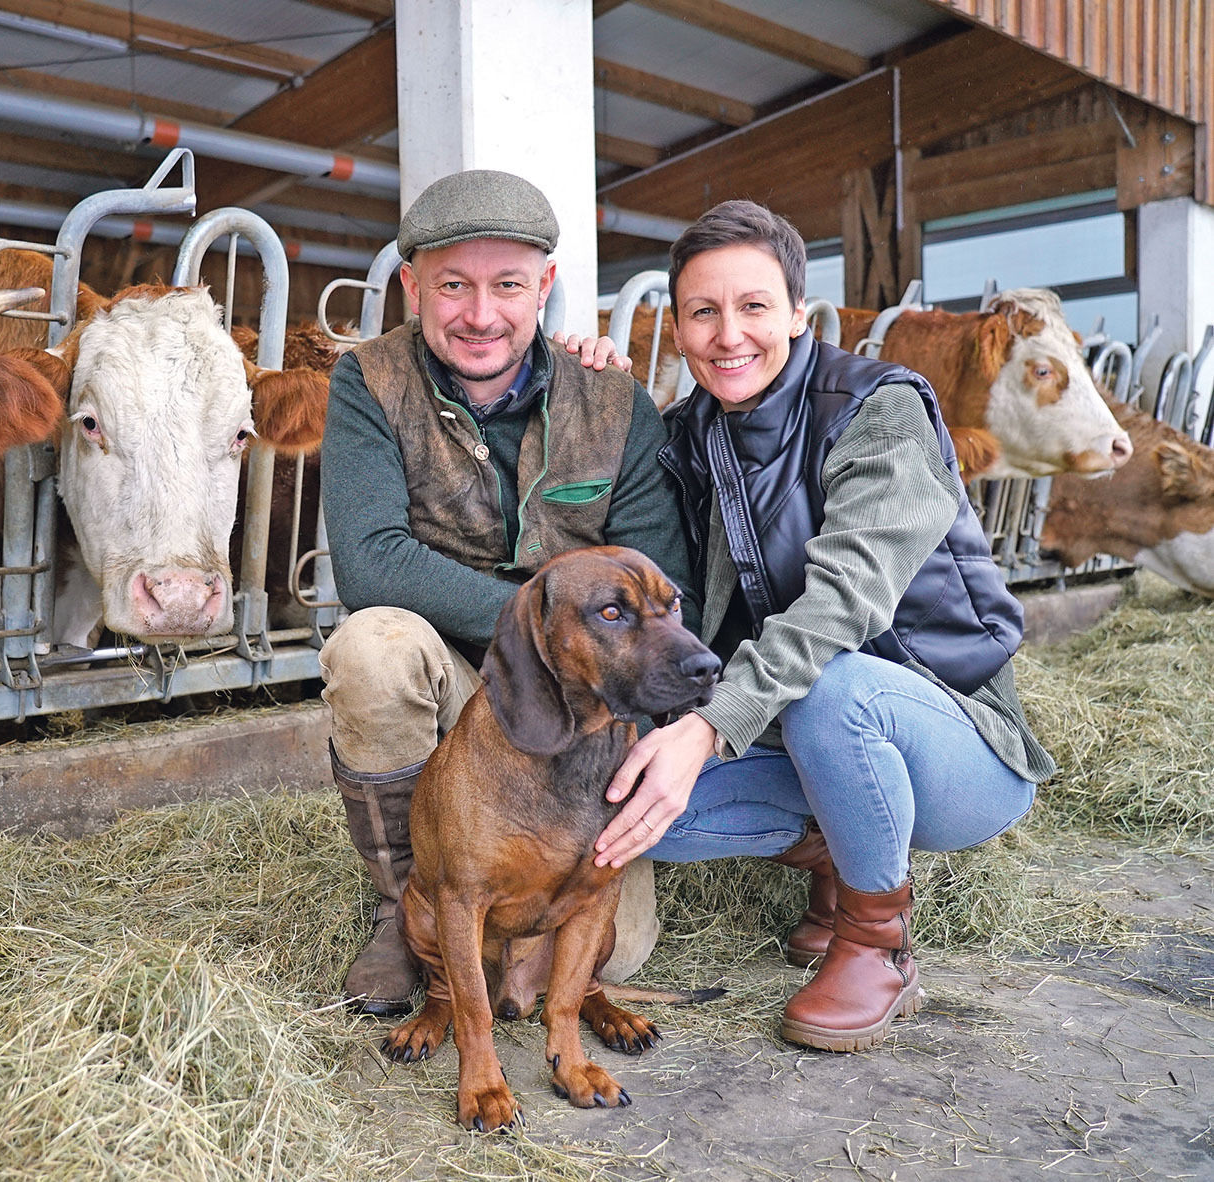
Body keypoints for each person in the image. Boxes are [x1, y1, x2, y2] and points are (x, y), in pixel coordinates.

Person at [584, 199, 1055, 1052]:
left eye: (754, 306)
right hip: (803, 741)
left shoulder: (876, 409)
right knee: (614, 804)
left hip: (956, 747)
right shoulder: (690, 437)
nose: (729, 334)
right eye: (702, 311)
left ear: (798, 313)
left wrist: (709, 729)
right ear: (678, 326)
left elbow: (845, 605)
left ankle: (880, 945)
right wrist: (594, 396)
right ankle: (838, 847)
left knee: (831, 689)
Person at [318, 169, 696, 1017]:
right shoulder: (368, 382)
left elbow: (662, 579)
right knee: (371, 648)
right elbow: (372, 561)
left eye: (507, 286)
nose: (480, 314)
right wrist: (538, 633)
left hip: (579, 693)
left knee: (620, 947)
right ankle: (403, 899)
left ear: (546, 289)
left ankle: (526, 880)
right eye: (451, 285)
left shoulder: (612, 398)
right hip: (455, 668)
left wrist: (581, 662)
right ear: (412, 287)